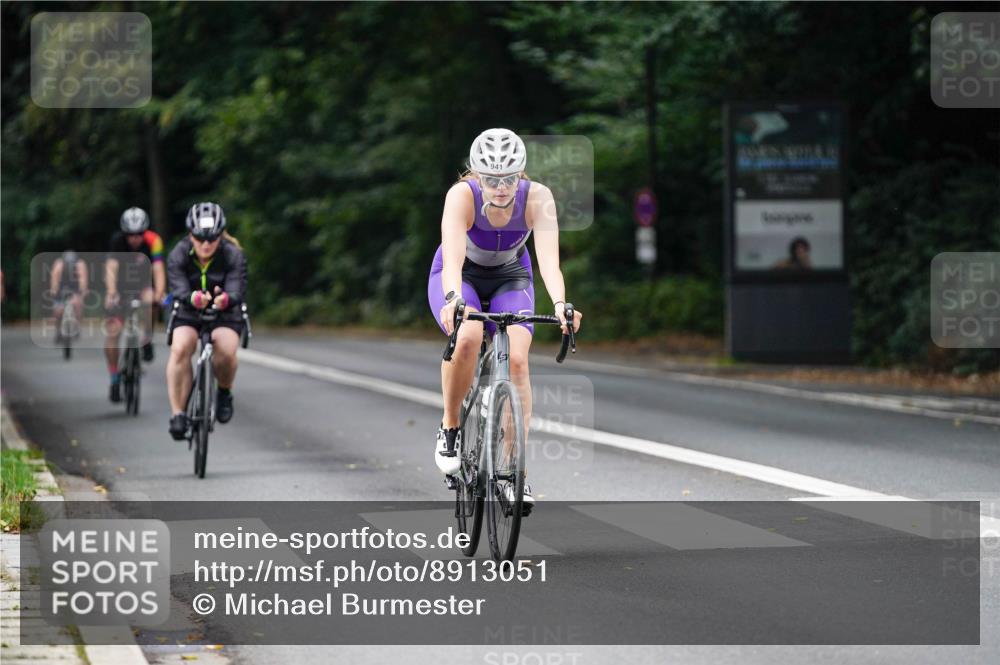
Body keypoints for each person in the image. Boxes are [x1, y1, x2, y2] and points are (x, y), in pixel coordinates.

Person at [428, 128, 582, 506]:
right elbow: (453, 260)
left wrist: (561, 304)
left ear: (521, 173)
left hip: (511, 275)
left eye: (510, 178)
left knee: (517, 361)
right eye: (492, 179)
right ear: (477, 175)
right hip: (461, 275)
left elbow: (549, 263)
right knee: (467, 337)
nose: (501, 187)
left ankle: (515, 472)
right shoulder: (461, 196)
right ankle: (450, 426)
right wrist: (453, 299)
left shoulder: (538, 197)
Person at [165, 202, 247, 441]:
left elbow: (237, 287)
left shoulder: (233, 254)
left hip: (224, 311)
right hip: (189, 309)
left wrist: (225, 299)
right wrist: (192, 298)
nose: (206, 244)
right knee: (180, 348)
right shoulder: (179, 253)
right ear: (191, 235)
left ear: (221, 235)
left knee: (226, 350)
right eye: (200, 238)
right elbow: (177, 286)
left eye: (212, 238)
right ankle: (178, 413)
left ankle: (224, 391)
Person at [105, 207, 166, 402]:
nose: (134, 238)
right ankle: (114, 378)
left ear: (145, 231)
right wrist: (111, 293)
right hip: (121, 288)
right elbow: (111, 269)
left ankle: (147, 337)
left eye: (139, 234)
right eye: (130, 235)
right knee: (112, 332)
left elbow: (158, 268)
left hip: (143, 286)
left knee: (151, 300)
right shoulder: (117, 241)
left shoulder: (154, 241)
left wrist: (159, 293)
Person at [49, 250, 88, 341]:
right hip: (61, 287)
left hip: (75, 287)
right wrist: (53, 290)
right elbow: (54, 279)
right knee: (58, 311)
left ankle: (77, 326)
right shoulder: (59, 264)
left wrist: (82, 291)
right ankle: (58, 330)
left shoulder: (80, 264)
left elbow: (83, 279)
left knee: (77, 305)